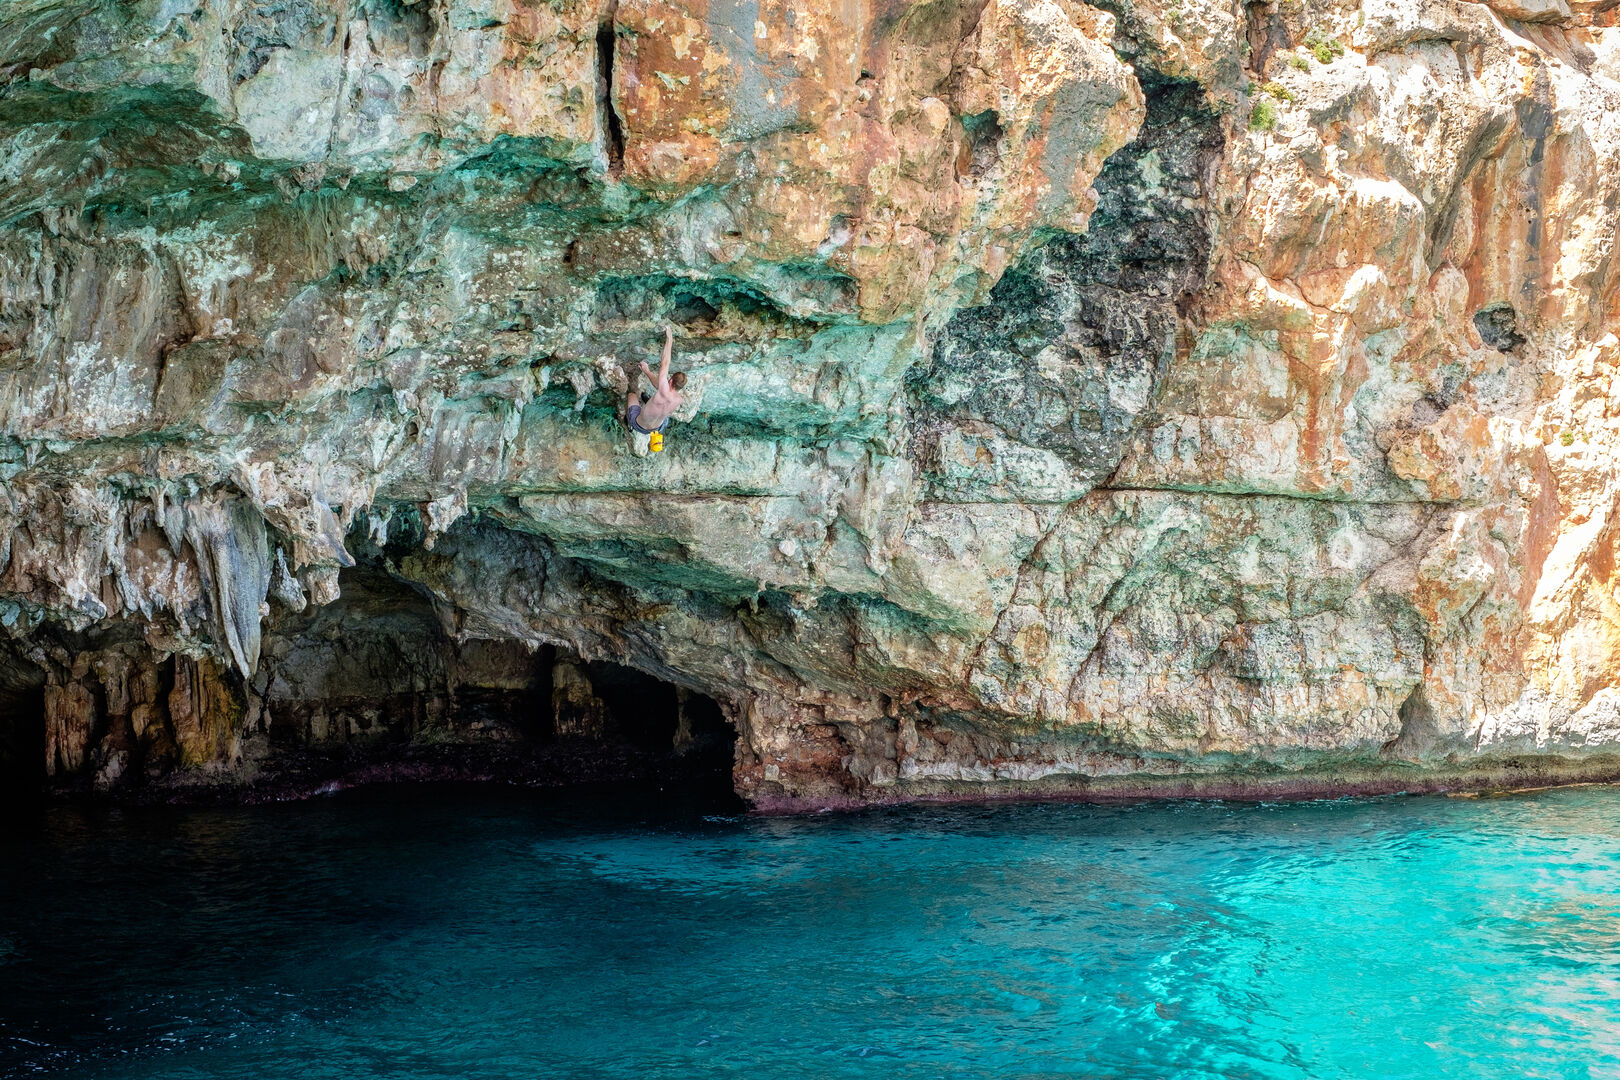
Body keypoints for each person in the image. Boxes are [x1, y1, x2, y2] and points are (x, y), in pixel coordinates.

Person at [625, 325, 686, 449]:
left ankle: (627, 421)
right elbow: (660, 386)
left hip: (639, 425)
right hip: (657, 428)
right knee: (664, 414)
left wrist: (669, 338)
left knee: (631, 395)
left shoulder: (664, 387)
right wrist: (646, 371)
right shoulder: (679, 399)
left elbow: (665, 362)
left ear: (670, 380)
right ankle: (649, 401)